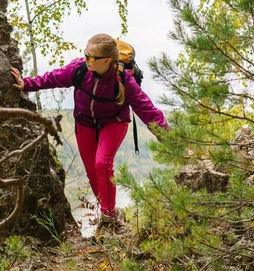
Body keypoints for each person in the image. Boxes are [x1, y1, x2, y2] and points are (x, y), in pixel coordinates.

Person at [11, 33, 169, 232]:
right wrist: (27, 84)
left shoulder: (124, 80)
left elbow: (148, 111)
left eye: (92, 57)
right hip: (85, 123)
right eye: (86, 54)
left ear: (108, 61)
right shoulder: (80, 70)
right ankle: (112, 211)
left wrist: (171, 141)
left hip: (114, 123)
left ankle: (108, 221)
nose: (87, 60)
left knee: (102, 163)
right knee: (93, 173)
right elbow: (54, 78)